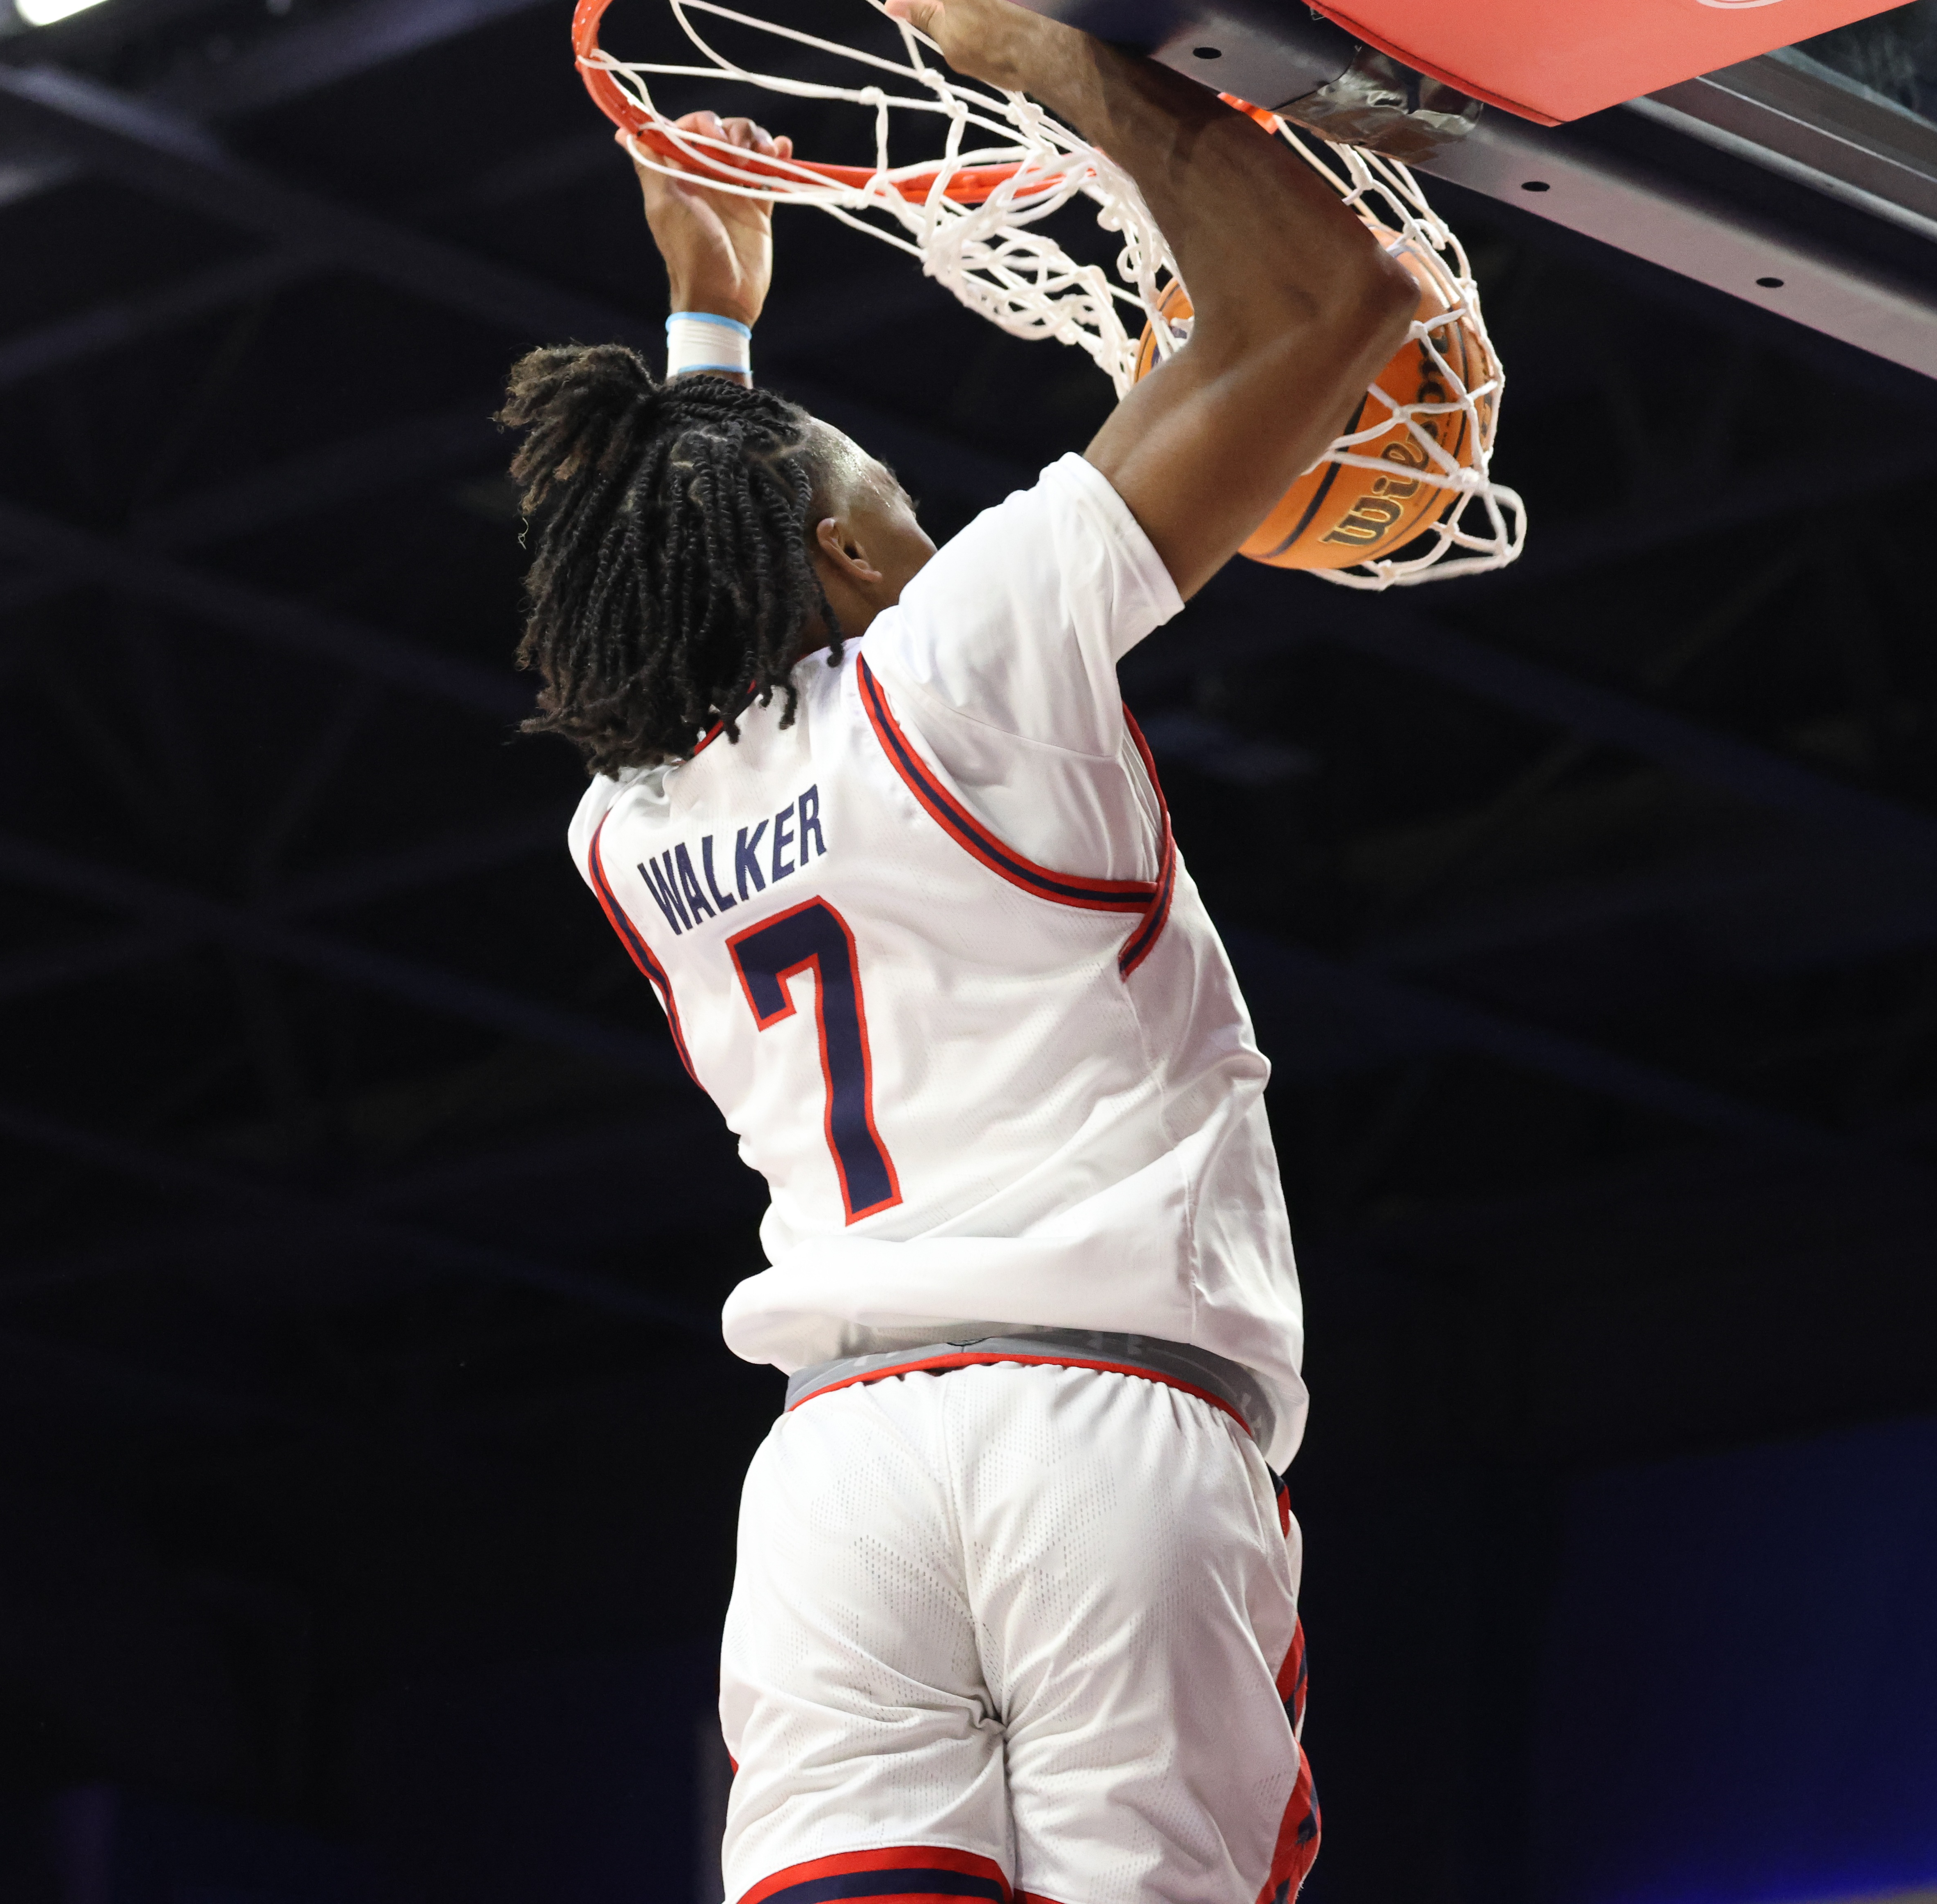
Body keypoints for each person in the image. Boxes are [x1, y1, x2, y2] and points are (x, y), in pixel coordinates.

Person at [497, 0, 1418, 1894]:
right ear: (842, 567)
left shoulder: (631, 829)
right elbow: (1339, 302)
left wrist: (714, 323)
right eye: (894, 511)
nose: (931, 534)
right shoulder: (965, 654)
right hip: (1106, 1431)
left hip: (844, 1474)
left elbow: (696, 571)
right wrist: (1048, 48)